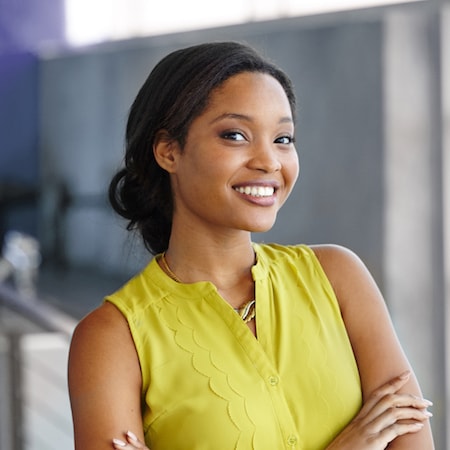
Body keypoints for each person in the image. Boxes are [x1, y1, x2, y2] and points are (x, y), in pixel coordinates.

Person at [68, 41, 434, 449]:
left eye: (283, 138)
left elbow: (412, 435)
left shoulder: (338, 277)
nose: (269, 161)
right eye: (236, 135)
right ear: (168, 150)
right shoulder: (112, 338)